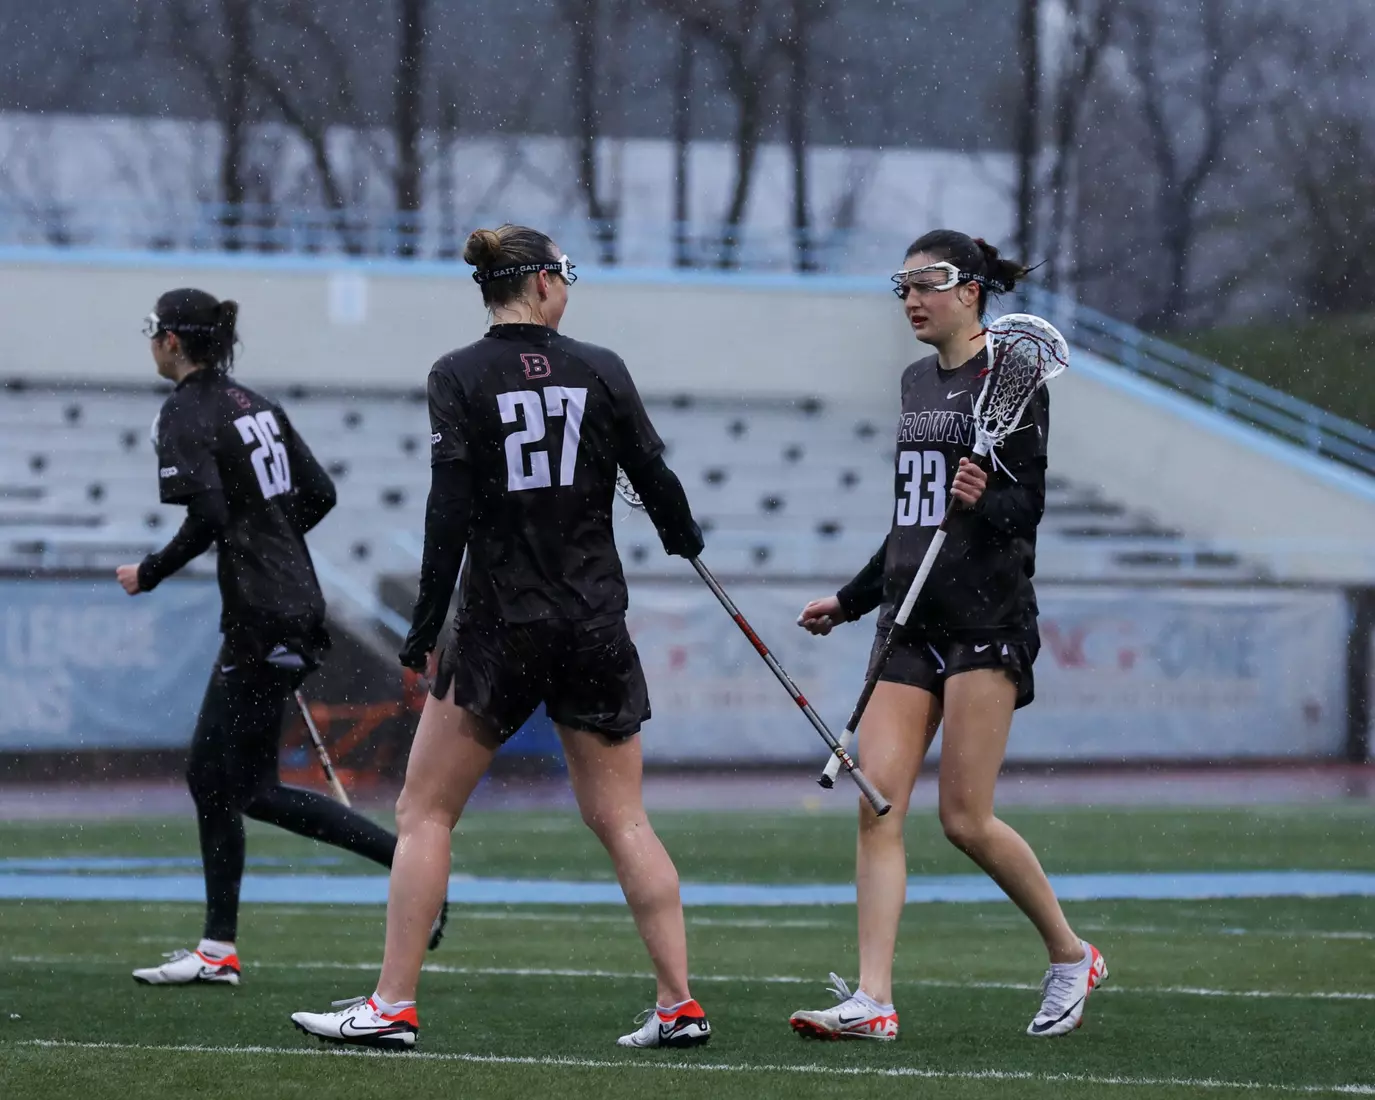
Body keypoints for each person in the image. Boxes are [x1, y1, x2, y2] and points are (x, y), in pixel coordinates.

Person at [290, 224, 711, 1051]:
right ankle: (678, 1004)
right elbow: (655, 478)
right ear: (547, 283)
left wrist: (419, 627)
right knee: (623, 818)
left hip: (500, 625)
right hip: (591, 619)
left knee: (425, 812)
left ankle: (392, 1006)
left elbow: (448, 509)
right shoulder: (600, 367)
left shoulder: (457, 373)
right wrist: (683, 538)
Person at [788, 231, 1107, 1041]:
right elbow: (910, 522)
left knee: (963, 819)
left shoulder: (1015, 380)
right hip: (909, 620)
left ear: (968, 290)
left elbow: (1023, 514)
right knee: (877, 802)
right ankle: (872, 999)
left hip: (985, 621)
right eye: (900, 287)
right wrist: (853, 600)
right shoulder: (912, 381)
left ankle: (1071, 955)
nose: (909, 300)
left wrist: (984, 493)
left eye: (923, 284)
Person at [119, 288, 445, 987]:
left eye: (154, 333)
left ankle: (409, 868)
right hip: (286, 603)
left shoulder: (187, 410)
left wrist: (148, 572)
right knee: (217, 781)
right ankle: (217, 948)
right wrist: (268, 535)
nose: (150, 343)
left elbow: (205, 516)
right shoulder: (254, 405)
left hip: (264, 613)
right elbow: (319, 492)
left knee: (245, 789)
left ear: (174, 341)